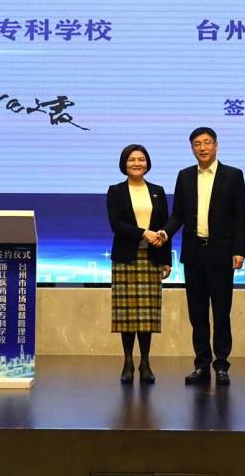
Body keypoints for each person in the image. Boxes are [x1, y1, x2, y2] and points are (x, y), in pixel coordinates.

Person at [161, 127, 245, 386]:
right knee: (197, 314)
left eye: (207, 143)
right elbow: (178, 214)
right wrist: (165, 232)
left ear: (216, 145)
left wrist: (239, 250)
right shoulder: (185, 176)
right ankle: (201, 365)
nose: (202, 148)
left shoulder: (233, 175)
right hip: (194, 253)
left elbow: (239, 216)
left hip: (221, 254)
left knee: (221, 312)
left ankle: (221, 365)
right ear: (192, 148)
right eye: (197, 144)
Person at [106, 144, 172, 384]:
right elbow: (116, 224)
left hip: (152, 258)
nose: (137, 163)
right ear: (124, 164)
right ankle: (127, 362)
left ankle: (145, 362)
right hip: (126, 258)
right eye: (132, 159)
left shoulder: (157, 191)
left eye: (141, 159)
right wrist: (143, 232)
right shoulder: (115, 191)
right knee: (126, 315)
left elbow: (165, 226)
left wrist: (166, 260)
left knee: (147, 315)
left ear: (147, 163)